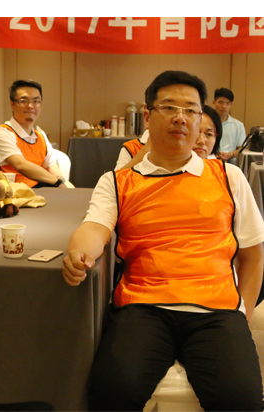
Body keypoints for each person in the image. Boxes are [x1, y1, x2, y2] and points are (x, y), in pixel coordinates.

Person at [63, 71, 264, 411]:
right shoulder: (118, 181)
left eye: (190, 110)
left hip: (216, 309)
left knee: (241, 400)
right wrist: (78, 253)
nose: (180, 118)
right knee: (113, 392)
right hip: (142, 306)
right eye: (169, 107)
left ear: (201, 119)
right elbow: (94, 229)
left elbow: (254, 255)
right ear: (147, 115)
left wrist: (241, 314)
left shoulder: (228, 177)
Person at [0, 79, 70, 188]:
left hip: (38, 194)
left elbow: (56, 174)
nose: (30, 106)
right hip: (9, 195)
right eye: (23, 101)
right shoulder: (2, 133)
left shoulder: (41, 136)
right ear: (12, 104)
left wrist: (73, 192)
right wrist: (58, 182)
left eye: (36, 101)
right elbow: (21, 165)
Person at [116, 105, 222, 170]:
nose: (201, 141)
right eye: (197, 132)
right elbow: (115, 185)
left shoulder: (218, 169)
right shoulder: (133, 148)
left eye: (209, 134)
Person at [213, 87, 246, 162]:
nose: (224, 106)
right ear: (214, 103)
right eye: (220, 102)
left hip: (230, 160)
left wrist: (230, 154)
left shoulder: (238, 125)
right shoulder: (205, 122)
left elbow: (241, 149)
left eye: (227, 103)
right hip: (208, 158)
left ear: (231, 105)